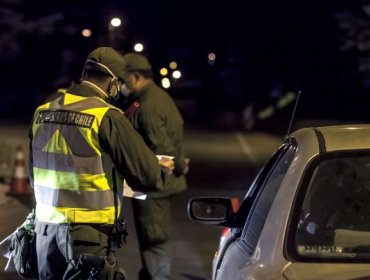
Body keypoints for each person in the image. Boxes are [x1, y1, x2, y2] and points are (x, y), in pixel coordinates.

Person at [28, 47, 175, 280]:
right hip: (87, 240)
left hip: (44, 236)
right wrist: (164, 170)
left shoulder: (43, 112)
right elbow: (147, 175)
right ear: (113, 82)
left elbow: (34, 176)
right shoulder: (106, 116)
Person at [118, 53, 189, 280]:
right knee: (152, 242)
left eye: (123, 78)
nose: (120, 84)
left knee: (154, 241)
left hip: (152, 188)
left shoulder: (147, 106)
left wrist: (175, 165)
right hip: (151, 186)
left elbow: (162, 152)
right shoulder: (156, 97)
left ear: (136, 76)